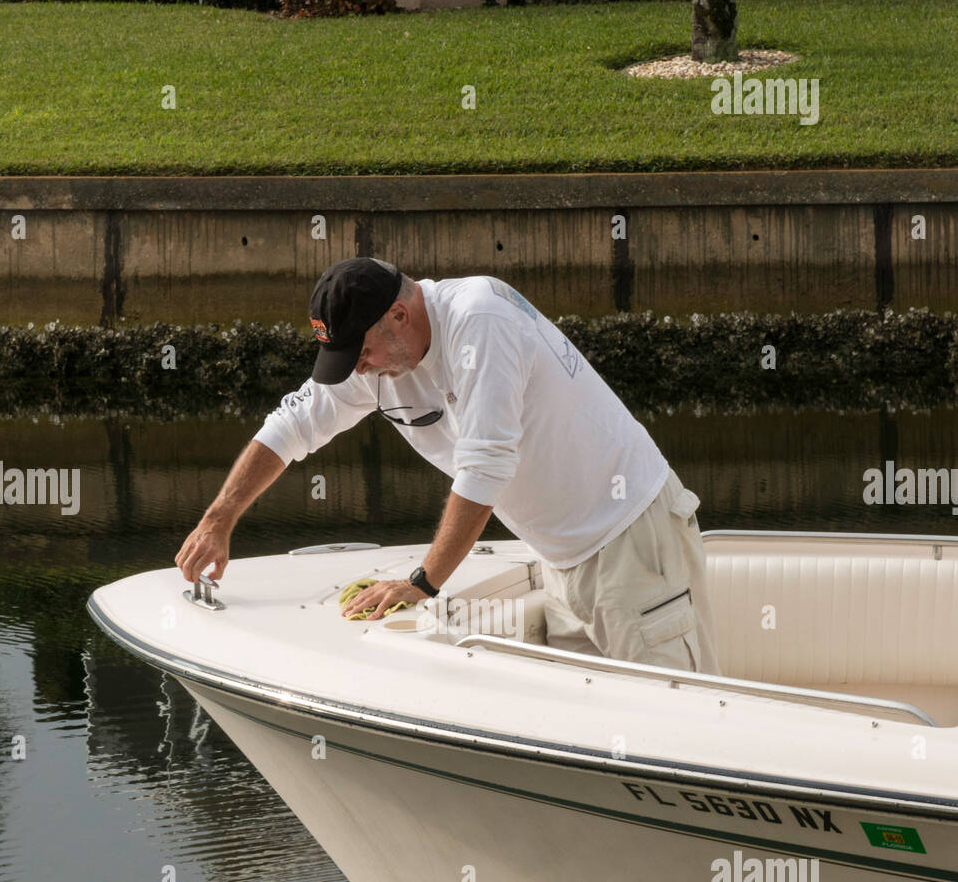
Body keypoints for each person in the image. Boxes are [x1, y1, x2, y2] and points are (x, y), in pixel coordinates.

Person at [175, 257, 720, 674]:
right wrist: (219, 519)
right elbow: (291, 425)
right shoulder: (377, 361)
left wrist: (422, 583)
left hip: (632, 543)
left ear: (400, 315)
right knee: (599, 733)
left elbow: (485, 466)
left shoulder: (480, 320)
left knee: (680, 729)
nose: (358, 370)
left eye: (361, 353)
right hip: (560, 556)